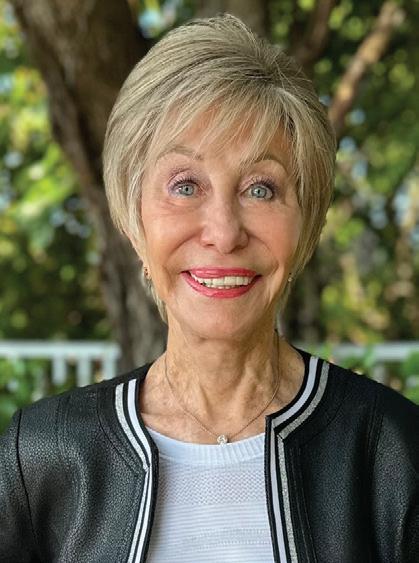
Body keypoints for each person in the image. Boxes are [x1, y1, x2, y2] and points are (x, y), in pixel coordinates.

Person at [1, 13, 418, 563]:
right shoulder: (39, 457)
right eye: (185, 185)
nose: (223, 232)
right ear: (134, 217)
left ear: (307, 222)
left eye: (261, 189)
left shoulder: (393, 451)